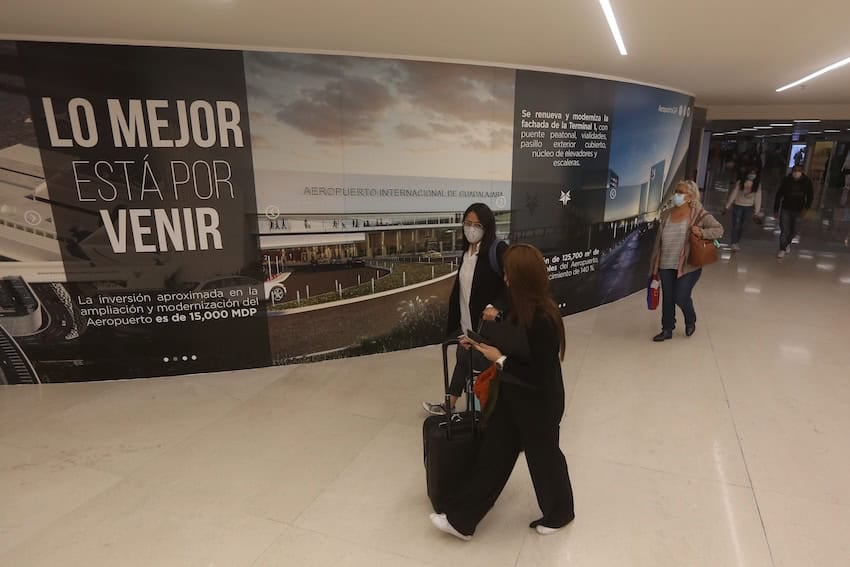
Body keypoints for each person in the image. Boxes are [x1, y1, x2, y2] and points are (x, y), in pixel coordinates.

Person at [429, 244, 574, 540]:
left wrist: (500, 359)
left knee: (544, 459)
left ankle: (560, 513)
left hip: (538, 404)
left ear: (521, 278)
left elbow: (536, 372)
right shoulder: (518, 307)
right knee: (493, 456)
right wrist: (480, 343)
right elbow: (511, 337)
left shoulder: (543, 319)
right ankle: (461, 520)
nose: (505, 279)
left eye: (509, 274)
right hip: (512, 397)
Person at [422, 203, 507, 415]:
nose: (471, 228)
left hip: (488, 329)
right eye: (468, 223)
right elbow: (462, 291)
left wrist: (497, 309)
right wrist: (457, 325)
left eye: (477, 224)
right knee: (463, 359)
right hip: (467, 325)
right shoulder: (466, 253)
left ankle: (490, 414)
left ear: (487, 227)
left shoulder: (498, 250)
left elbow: (512, 283)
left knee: (487, 369)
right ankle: (450, 405)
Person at [649, 180, 723, 342]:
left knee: (680, 296)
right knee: (668, 297)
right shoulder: (667, 214)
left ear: (690, 196)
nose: (677, 195)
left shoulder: (698, 213)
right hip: (666, 262)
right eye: (676, 191)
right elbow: (659, 241)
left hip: (689, 264)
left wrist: (702, 232)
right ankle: (667, 328)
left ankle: (690, 319)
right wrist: (654, 265)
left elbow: (719, 229)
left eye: (681, 192)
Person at [773, 165, 814, 259]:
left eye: (799, 170)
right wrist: (776, 209)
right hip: (785, 209)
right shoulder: (786, 180)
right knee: (784, 230)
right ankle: (782, 249)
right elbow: (779, 195)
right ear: (792, 171)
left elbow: (810, 196)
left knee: (794, 231)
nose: (796, 172)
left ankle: (787, 243)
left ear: (802, 171)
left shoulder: (807, 182)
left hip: (799, 210)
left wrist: (806, 208)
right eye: (795, 170)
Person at [723, 170, 763, 251]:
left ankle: (737, 241)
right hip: (738, 206)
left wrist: (756, 212)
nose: (752, 175)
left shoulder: (757, 185)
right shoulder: (740, 182)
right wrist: (727, 206)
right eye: (750, 173)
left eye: (753, 173)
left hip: (749, 207)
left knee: (742, 226)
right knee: (736, 225)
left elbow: (758, 198)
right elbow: (733, 194)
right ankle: (733, 243)